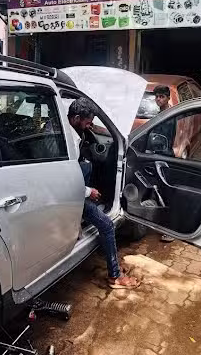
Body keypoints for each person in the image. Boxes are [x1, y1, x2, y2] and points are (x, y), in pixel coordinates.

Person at [67, 97, 140, 289]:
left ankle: (113, 262)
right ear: (76, 118)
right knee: (106, 225)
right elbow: (66, 178)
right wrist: (88, 191)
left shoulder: (67, 129)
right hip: (72, 196)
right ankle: (115, 276)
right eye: (88, 121)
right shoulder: (70, 141)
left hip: (71, 195)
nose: (90, 125)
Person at [151, 85, 176, 243]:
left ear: (168, 98)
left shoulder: (168, 116)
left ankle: (171, 230)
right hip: (159, 156)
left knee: (166, 193)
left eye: (162, 97)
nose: (159, 99)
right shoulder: (161, 113)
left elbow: (162, 139)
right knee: (159, 191)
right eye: (157, 97)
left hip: (164, 157)